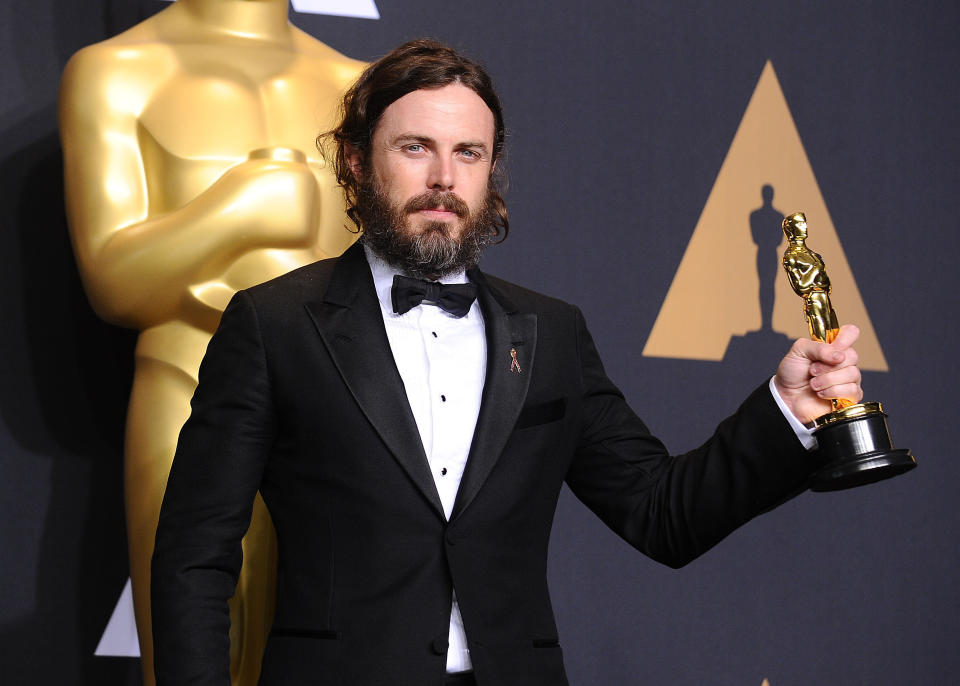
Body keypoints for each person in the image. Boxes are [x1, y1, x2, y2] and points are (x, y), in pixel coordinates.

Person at [152, 39, 864, 686]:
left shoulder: (550, 333)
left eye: (468, 153)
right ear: (356, 160)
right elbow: (193, 557)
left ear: (492, 172)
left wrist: (784, 412)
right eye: (414, 147)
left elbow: (661, 514)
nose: (443, 177)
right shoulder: (274, 324)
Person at [58, 1, 364, 683]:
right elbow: (114, 280)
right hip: (187, 382)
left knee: (345, 651)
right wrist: (233, 214)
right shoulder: (115, 73)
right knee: (198, 650)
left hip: (342, 405)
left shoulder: (360, 85)